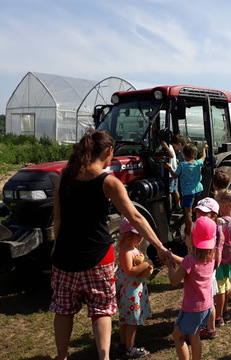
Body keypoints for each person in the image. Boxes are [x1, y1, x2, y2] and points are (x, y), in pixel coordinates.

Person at [50, 130, 170, 360]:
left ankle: (61, 356)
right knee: (101, 310)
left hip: (64, 257)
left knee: (63, 311)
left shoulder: (64, 176)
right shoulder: (109, 182)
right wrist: (160, 247)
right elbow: (136, 218)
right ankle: (103, 358)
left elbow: (58, 219)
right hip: (98, 259)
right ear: (108, 151)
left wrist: (56, 246)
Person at [168, 216, 216, 360]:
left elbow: (174, 281)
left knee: (178, 337)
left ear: (193, 239)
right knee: (194, 336)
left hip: (192, 309)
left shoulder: (190, 260)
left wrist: (170, 266)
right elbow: (190, 263)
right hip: (207, 306)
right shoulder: (212, 256)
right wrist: (177, 254)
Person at [115, 218, 153, 358]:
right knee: (132, 321)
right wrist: (146, 264)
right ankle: (130, 348)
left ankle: (125, 344)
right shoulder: (126, 252)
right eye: (137, 234)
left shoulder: (132, 249)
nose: (141, 237)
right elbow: (130, 271)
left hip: (133, 291)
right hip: (130, 293)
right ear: (127, 235)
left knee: (127, 320)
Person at [193, 197, 222, 340]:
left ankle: (209, 328)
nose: (200, 216)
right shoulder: (202, 225)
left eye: (204, 213)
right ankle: (208, 326)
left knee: (208, 299)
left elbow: (203, 252)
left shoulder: (212, 229)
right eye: (198, 212)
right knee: (207, 298)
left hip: (206, 268)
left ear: (214, 215)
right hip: (206, 267)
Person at [165, 142, 208, 236]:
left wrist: (169, 168)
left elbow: (175, 176)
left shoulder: (182, 165)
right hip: (197, 189)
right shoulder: (198, 163)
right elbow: (203, 157)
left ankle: (189, 233)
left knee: (188, 213)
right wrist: (204, 148)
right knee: (191, 207)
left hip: (188, 191)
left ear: (183, 154)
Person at [213, 189, 231, 327]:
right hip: (228, 258)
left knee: (220, 290)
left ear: (223, 205)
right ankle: (225, 312)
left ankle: (218, 317)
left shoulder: (221, 221)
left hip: (219, 260)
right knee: (224, 285)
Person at [211, 170, 231, 307]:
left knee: (220, 284)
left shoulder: (220, 219)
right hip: (230, 250)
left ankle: (220, 312)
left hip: (221, 254)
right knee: (225, 279)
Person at [161, 134, 186, 211]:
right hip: (175, 172)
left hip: (170, 173)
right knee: (175, 190)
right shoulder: (176, 149)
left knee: (169, 191)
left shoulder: (169, 147)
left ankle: (170, 207)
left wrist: (166, 147)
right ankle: (178, 205)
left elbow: (171, 155)